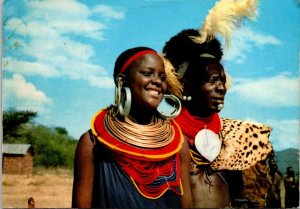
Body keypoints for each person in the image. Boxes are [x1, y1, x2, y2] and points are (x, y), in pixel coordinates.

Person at [162, 1, 273, 207]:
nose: (221, 87)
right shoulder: (164, 136)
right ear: (186, 87)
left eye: (222, 80)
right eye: (212, 80)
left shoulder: (239, 138)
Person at [72, 47, 192, 208]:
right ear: (121, 80)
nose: (158, 81)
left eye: (162, 77)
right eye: (147, 73)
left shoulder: (178, 145)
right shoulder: (93, 143)